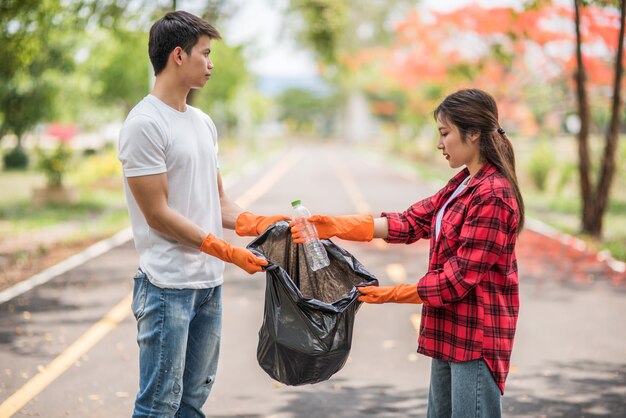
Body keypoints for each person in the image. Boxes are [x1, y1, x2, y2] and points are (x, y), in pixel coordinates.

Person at [291, 89, 524, 417]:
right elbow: (411, 221)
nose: (439, 144)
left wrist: (389, 294)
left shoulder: (493, 195)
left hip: (476, 338)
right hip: (449, 331)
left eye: (445, 134)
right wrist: (332, 226)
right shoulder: (461, 184)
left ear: (473, 133)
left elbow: (458, 280)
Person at [118, 11, 288, 417]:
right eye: (205, 54)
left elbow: (221, 204)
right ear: (178, 55)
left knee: (192, 402)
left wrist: (270, 225)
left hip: (208, 285)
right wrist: (226, 251)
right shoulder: (144, 123)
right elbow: (157, 214)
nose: (211, 64)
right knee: (159, 403)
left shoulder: (202, 122)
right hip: (167, 286)